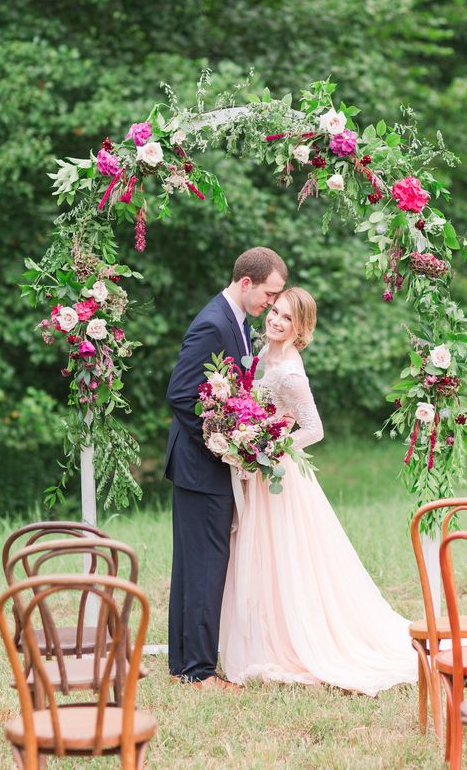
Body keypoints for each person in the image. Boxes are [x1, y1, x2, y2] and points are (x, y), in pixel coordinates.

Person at [219, 287, 418, 695]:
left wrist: (271, 446)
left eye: (286, 318)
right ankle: (259, 631)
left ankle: (292, 639)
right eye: (274, 312)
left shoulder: (290, 371)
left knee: (284, 557)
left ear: (301, 327)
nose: (275, 320)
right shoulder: (262, 353)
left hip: (277, 472)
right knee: (260, 555)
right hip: (256, 468)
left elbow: (314, 428)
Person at [165, 246, 288, 689]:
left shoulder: (235, 321)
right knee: (205, 566)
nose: (272, 304)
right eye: (270, 294)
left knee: (195, 565)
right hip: (202, 466)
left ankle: (184, 664)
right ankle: (198, 672)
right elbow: (180, 394)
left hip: (203, 467)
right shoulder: (213, 323)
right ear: (246, 282)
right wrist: (224, 444)